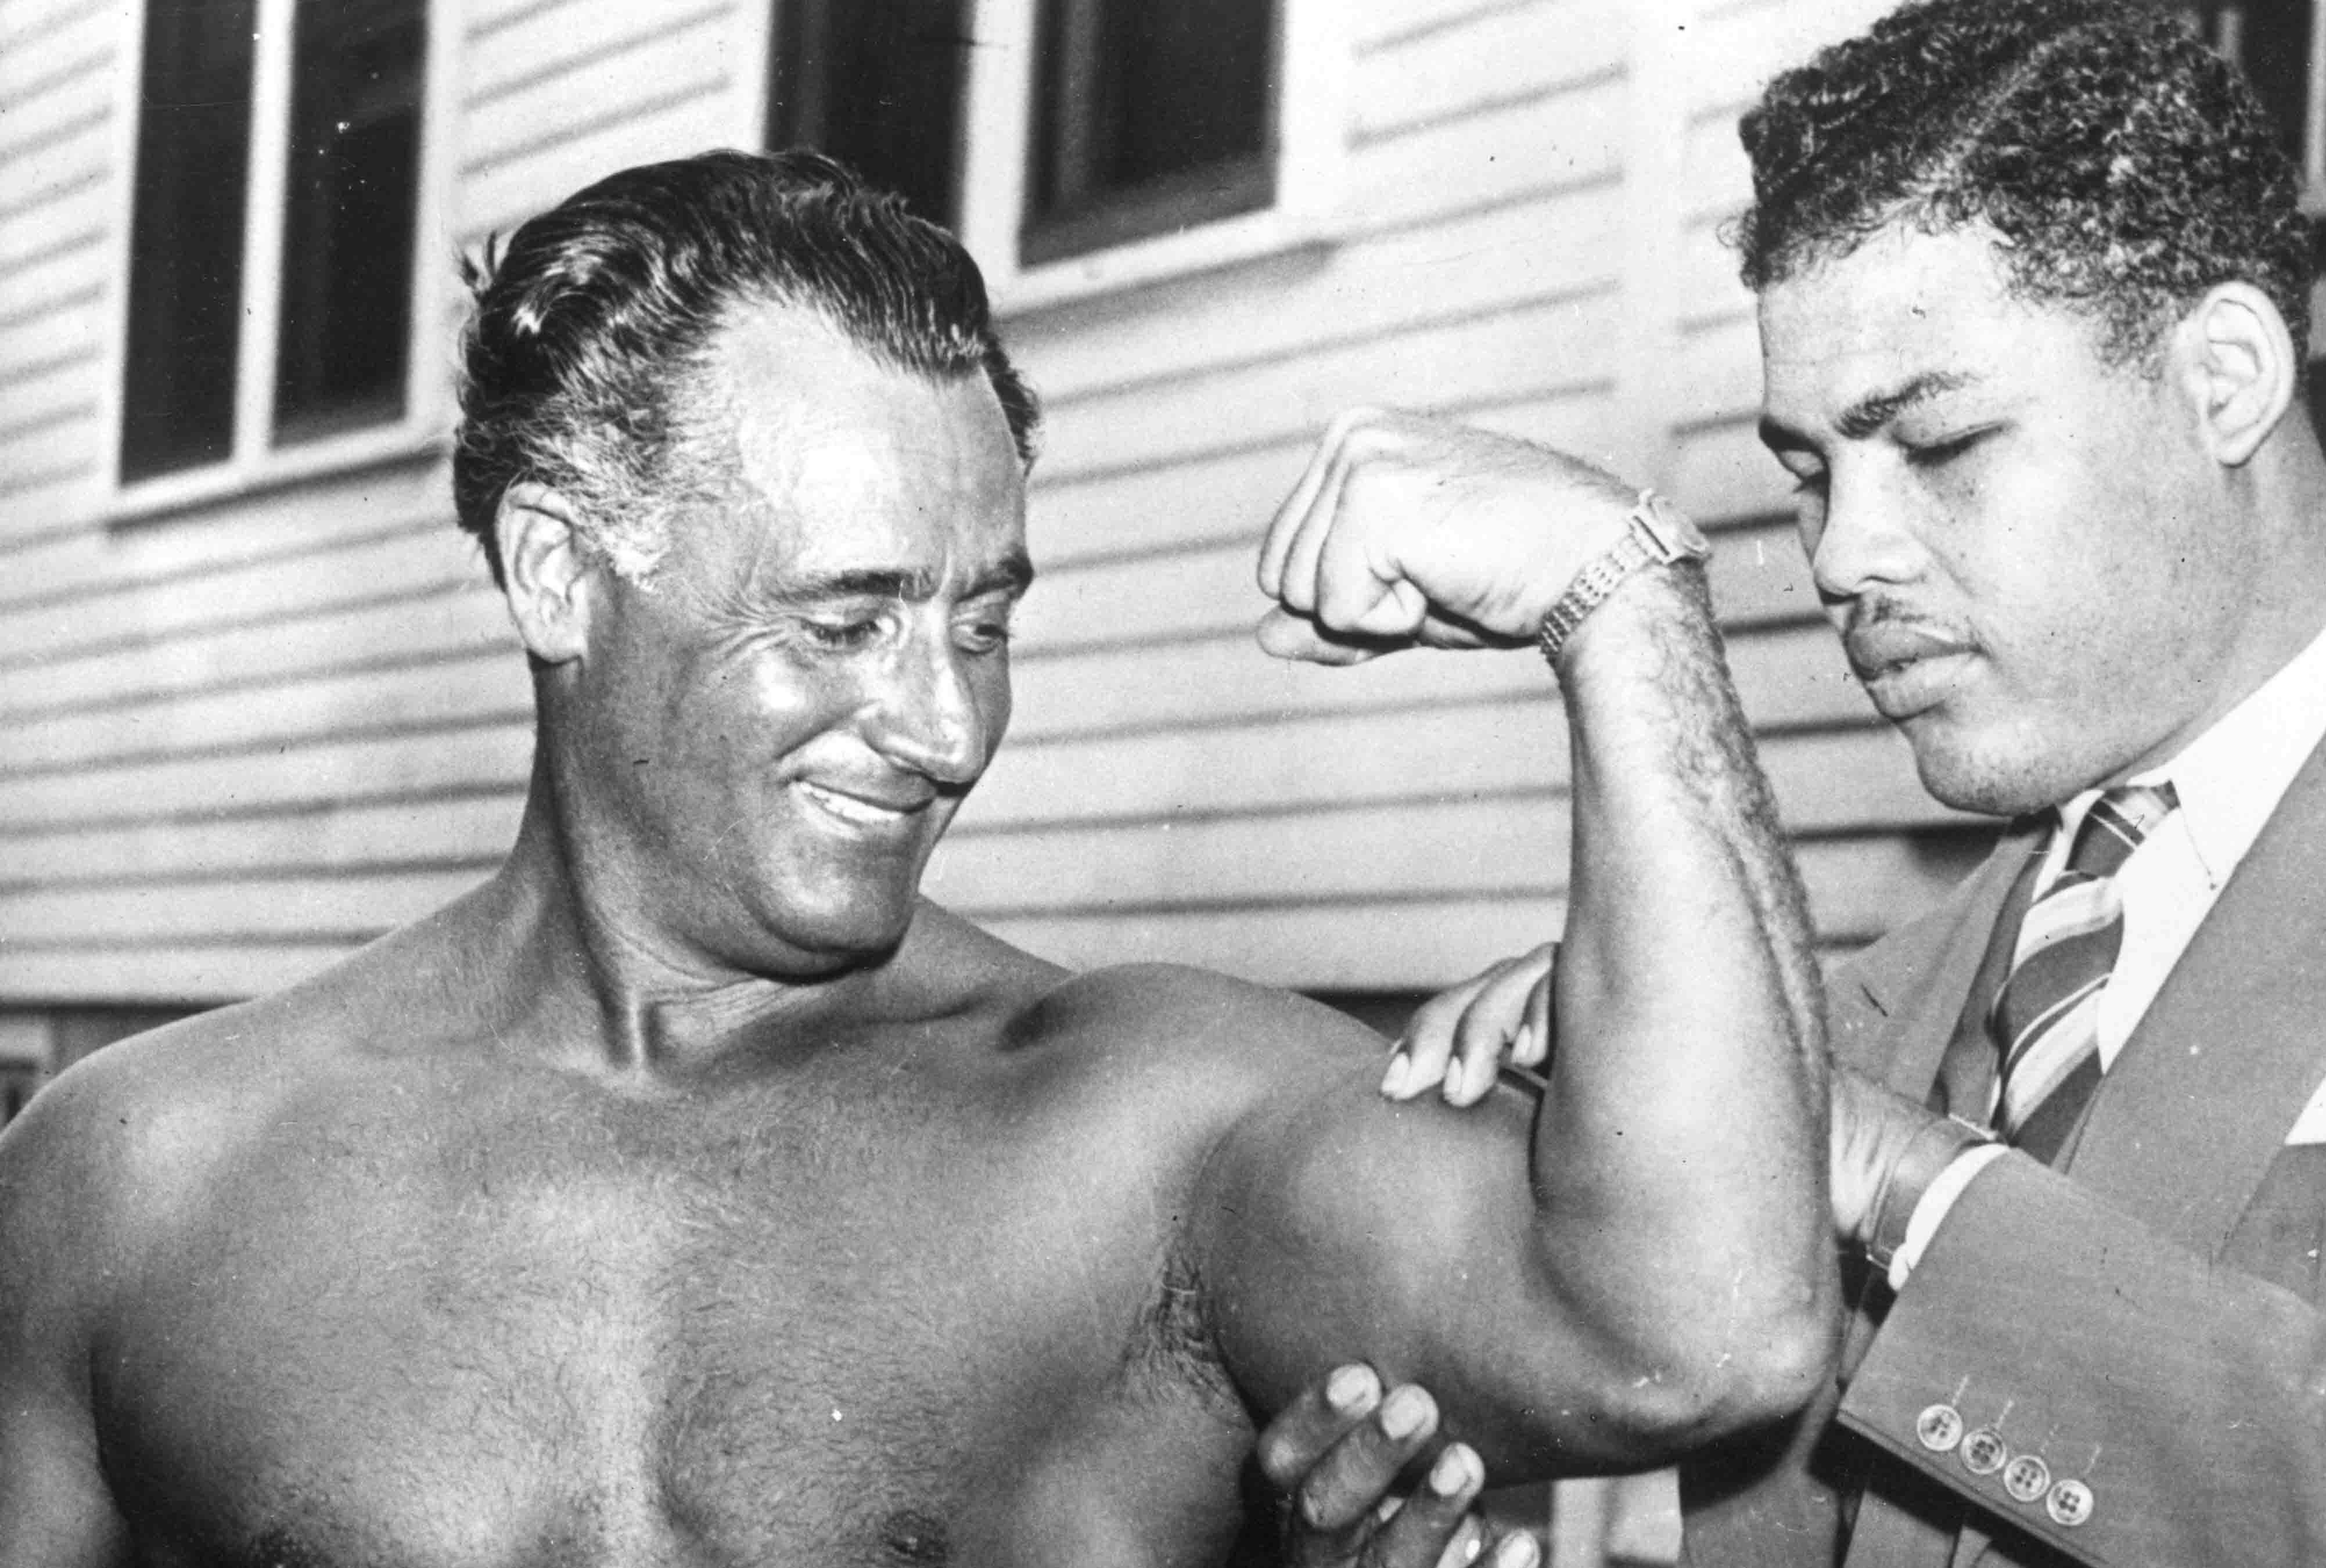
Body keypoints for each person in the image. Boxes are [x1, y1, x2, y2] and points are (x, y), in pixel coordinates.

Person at [0, 150, 1842, 1566]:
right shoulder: (138, 1174)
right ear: (559, 573)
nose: (949, 730)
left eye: (983, 620)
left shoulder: (1134, 1129)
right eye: (847, 619)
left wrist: (1623, 591)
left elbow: (1703, 1331)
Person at [1299, 2, 2326, 1563]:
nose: (1841, 555)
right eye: (1811, 472)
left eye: (1935, 443)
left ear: (2224, 377)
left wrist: (1891, 1172)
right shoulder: (1875, 1005)